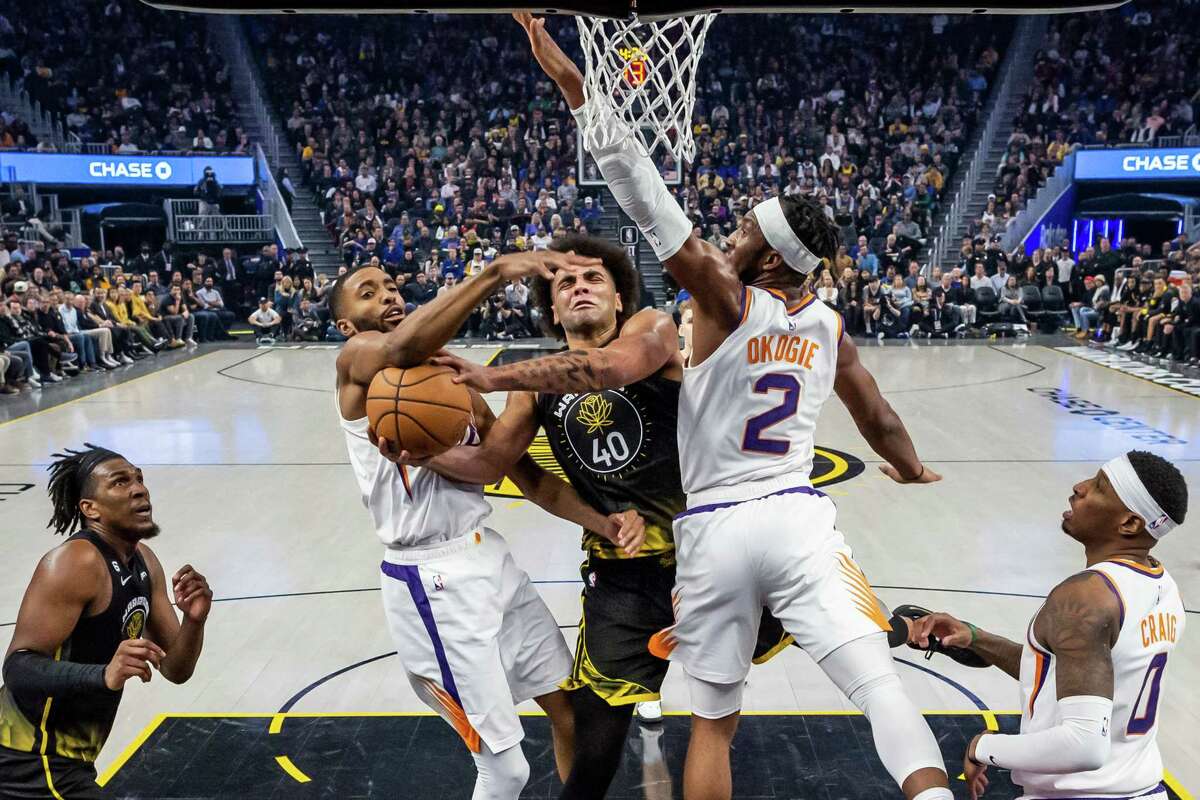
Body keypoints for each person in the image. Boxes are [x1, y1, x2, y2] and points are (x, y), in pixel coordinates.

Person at [516, 14, 951, 800]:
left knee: (713, 724)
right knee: (878, 684)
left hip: (711, 528)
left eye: (747, 227)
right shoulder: (829, 323)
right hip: (795, 516)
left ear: (769, 256)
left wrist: (578, 89)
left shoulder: (722, 295)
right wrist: (912, 469)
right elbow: (878, 419)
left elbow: (640, 189)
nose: (734, 230)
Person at [426, 234, 792, 799]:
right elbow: (495, 464)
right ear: (553, 309)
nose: (578, 288)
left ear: (620, 298)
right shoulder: (533, 386)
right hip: (619, 576)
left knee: (822, 639)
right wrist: (412, 447)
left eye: (593, 279)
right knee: (593, 756)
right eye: (565, 283)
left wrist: (494, 378)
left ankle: (917, 629)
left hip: (711, 558)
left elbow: (612, 368)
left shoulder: (652, 329)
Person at [329, 250, 644, 799]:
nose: (389, 296)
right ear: (346, 323)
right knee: (506, 771)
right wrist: (497, 272)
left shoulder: (458, 388)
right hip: (429, 581)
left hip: (486, 557)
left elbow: (523, 476)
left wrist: (603, 521)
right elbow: (403, 348)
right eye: (370, 292)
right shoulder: (358, 361)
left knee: (569, 710)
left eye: (392, 286)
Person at [907, 452, 1187, 800]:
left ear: (1129, 523)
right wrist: (976, 639)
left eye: (1098, 487)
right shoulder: (1162, 587)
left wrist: (983, 746)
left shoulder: (1086, 598)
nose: (1079, 487)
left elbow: (1084, 746)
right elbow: (1067, 672)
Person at [0, 445, 212, 799]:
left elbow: (176, 669)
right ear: (90, 508)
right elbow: (18, 667)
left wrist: (194, 621)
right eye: (120, 482)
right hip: (27, 762)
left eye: (139, 479)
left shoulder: (144, 561)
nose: (139, 488)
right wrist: (102, 674)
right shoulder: (75, 562)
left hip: (65, 762)